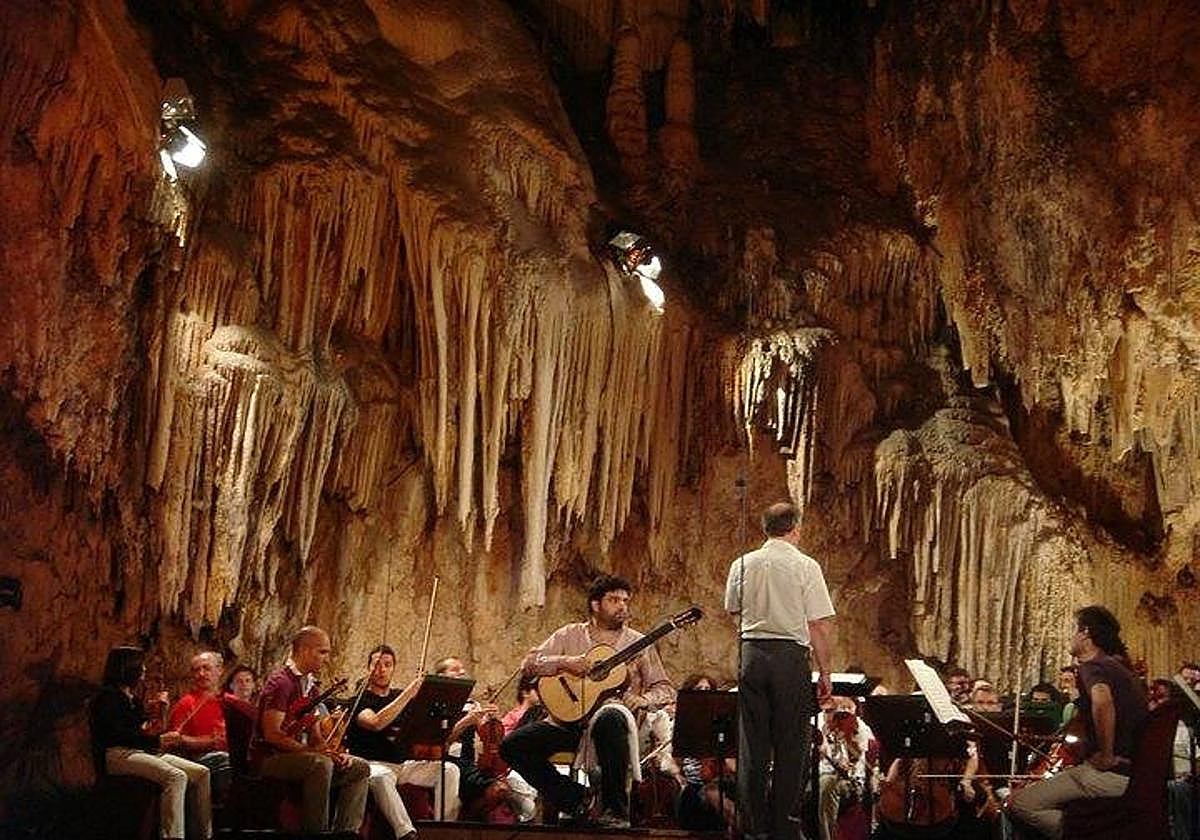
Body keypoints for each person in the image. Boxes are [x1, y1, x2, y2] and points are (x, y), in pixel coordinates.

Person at [500, 574, 676, 829]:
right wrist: (565, 662)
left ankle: (615, 811)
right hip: (568, 723)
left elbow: (666, 689)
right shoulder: (569, 634)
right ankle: (576, 798)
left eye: (626, 600)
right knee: (512, 745)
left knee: (611, 717)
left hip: (613, 729)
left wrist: (643, 699)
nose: (622, 606)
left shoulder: (638, 643)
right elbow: (528, 664)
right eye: (614, 600)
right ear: (595, 604)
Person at [726, 501, 835, 840]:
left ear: (765, 529)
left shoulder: (743, 563)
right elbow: (818, 623)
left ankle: (752, 827)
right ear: (795, 528)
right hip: (789, 656)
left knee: (752, 745)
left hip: (751, 653)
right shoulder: (805, 566)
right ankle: (785, 828)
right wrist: (825, 671)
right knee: (791, 745)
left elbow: (732, 610)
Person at [1008, 606, 1148, 839]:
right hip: (1135, 776)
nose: (1070, 637)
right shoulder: (1121, 670)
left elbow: (1102, 702)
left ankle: (1088, 834)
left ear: (1085, 633)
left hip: (1108, 775)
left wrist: (1105, 754)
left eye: (1073, 630)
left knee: (1019, 803)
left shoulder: (1092, 665)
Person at [252, 626, 370, 835]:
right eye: (322, 652)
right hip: (269, 758)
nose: (326, 658)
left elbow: (316, 738)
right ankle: (316, 832)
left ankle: (346, 832)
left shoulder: (311, 687)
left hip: (299, 756)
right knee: (319, 765)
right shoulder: (281, 683)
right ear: (305, 650)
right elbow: (273, 734)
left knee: (358, 767)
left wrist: (333, 753)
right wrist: (314, 753)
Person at [89, 646, 212, 840]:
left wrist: (161, 711)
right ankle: (172, 835)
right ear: (127, 667)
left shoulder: (133, 699)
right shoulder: (107, 698)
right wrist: (156, 740)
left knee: (201, 773)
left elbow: (147, 730)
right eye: (141, 665)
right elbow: (117, 735)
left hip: (139, 751)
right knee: (176, 776)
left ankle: (202, 834)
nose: (144, 670)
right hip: (117, 754)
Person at [343, 643, 455, 837]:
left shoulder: (399, 696)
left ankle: (442, 829)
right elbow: (375, 722)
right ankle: (406, 833)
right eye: (376, 664)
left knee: (449, 770)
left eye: (387, 665)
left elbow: (422, 729)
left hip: (402, 765)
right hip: (371, 764)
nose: (381, 670)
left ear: (393, 668)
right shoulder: (359, 699)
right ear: (368, 668)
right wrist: (408, 694)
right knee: (381, 776)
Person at [166, 651, 231, 798]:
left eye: (206, 668)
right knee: (224, 760)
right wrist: (212, 742)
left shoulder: (229, 702)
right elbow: (174, 740)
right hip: (198, 760)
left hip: (229, 756)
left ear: (220, 670)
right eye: (196, 670)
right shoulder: (186, 704)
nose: (201, 674)